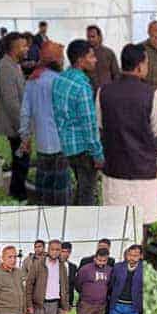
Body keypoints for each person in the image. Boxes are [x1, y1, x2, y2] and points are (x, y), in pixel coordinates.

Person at [97, 43, 157, 242]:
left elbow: (100, 124)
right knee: (141, 222)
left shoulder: (104, 92)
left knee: (119, 221)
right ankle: (137, 262)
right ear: (139, 66)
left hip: (115, 166)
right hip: (142, 167)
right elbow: (156, 128)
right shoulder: (150, 93)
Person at [19, 41, 72, 205]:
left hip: (42, 144)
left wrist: (25, 138)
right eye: (61, 58)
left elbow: (25, 112)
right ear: (56, 61)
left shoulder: (32, 81)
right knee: (61, 191)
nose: (63, 61)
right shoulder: (61, 81)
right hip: (61, 145)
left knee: (44, 188)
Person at [52, 40, 104, 205]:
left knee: (81, 187)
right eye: (91, 56)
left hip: (68, 146)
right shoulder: (82, 86)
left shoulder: (60, 79)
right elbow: (89, 124)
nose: (95, 60)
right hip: (83, 149)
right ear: (81, 60)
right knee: (87, 192)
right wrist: (97, 154)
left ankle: (75, 222)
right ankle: (83, 229)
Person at [0, 31, 30, 202]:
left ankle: (18, 191)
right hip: (16, 126)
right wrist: (23, 130)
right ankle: (17, 194)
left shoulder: (14, 64)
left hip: (19, 125)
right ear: (14, 48)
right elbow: (11, 104)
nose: (27, 49)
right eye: (24, 46)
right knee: (21, 160)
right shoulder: (6, 68)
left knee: (21, 160)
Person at [68, 247, 111, 314]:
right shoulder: (85, 269)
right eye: (99, 260)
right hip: (86, 303)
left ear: (107, 259)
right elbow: (78, 284)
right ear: (95, 258)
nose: (101, 263)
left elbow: (109, 285)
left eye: (104, 261)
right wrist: (86, 295)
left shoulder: (110, 270)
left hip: (100, 304)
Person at [78, 239, 114, 314]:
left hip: (100, 300)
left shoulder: (111, 262)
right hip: (86, 299)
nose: (102, 248)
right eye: (100, 246)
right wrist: (85, 293)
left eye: (105, 246)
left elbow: (110, 282)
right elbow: (79, 282)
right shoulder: (86, 261)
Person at [49, 241, 77, 314]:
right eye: (63, 251)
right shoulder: (52, 265)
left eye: (67, 252)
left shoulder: (73, 267)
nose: (65, 254)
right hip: (51, 301)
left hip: (63, 302)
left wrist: (69, 303)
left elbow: (71, 287)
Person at [86, 25, 120, 92]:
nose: (90, 39)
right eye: (88, 37)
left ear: (99, 37)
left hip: (107, 91)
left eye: (93, 36)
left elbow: (116, 74)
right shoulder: (84, 54)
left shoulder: (108, 53)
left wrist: (116, 89)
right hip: (90, 92)